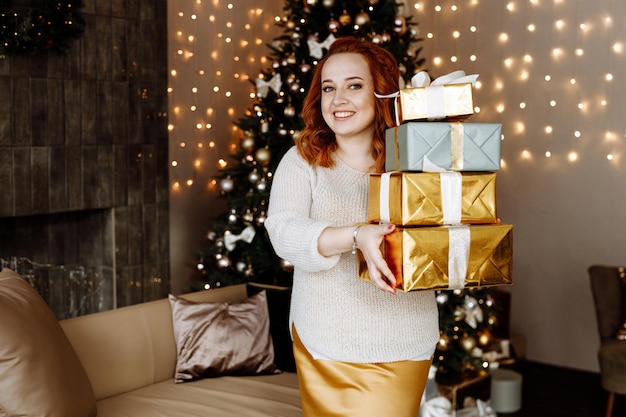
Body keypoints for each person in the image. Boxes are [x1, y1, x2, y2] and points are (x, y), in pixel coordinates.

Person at [264, 37, 439, 417]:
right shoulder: (301, 160)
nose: (338, 99)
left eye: (354, 85)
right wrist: (357, 235)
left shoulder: (418, 160)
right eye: (329, 88)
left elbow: (448, 234)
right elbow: (283, 232)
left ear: (382, 93)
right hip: (327, 345)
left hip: (405, 343)